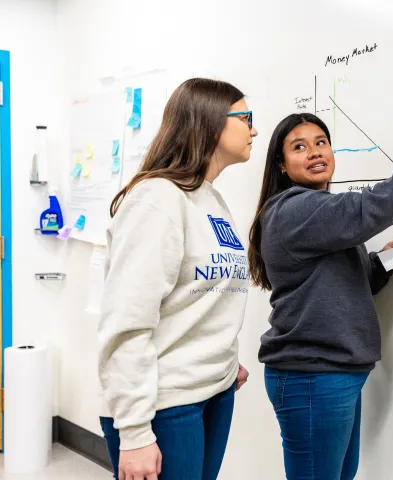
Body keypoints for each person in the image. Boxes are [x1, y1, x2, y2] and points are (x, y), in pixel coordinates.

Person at [248, 106, 393, 480]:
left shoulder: (315, 214)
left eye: (321, 142)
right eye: (300, 147)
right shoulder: (296, 209)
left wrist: (383, 261)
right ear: (281, 165)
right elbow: (371, 207)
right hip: (312, 375)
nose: (315, 152)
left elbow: (339, 284)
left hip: (333, 372)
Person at [98, 78, 258, 480]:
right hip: (163, 402)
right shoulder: (158, 198)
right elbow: (126, 322)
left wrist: (222, 358)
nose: (254, 130)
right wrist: (134, 433)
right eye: (246, 118)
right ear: (211, 122)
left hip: (214, 390)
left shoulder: (210, 198)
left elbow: (205, 294)